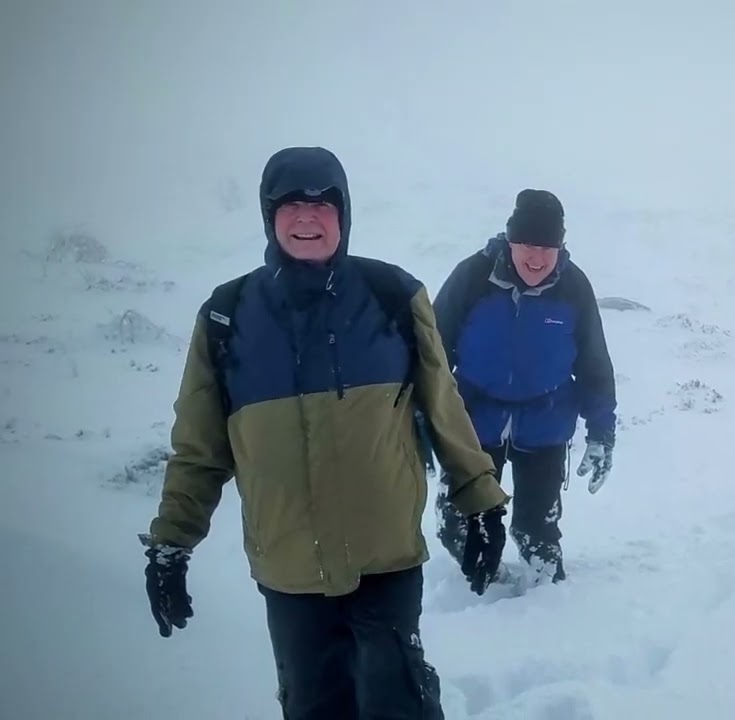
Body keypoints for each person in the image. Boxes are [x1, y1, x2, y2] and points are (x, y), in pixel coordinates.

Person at [138, 146, 511, 720]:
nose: (307, 217)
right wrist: (172, 543)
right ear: (269, 215)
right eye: (291, 204)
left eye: (322, 203)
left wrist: (481, 502)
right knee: (315, 706)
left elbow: (445, 410)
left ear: (344, 214)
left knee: (398, 700)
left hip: (385, 557)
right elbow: (200, 450)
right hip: (290, 570)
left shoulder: (393, 295)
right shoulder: (226, 316)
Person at [431, 188, 617, 585]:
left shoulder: (573, 288)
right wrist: (420, 419)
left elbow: (593, 362)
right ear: (511, 241)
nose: (537, 258)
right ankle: (490, 589)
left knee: (537, 532)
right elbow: (433, 351)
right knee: (460, 526)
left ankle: (546, 598)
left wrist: (602, 430)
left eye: (547, 248)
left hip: (545, 424)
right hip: (474, 424)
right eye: (528, 245)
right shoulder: (473, 278)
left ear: (560, 248)